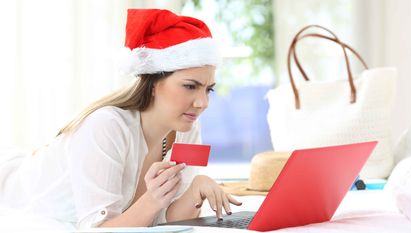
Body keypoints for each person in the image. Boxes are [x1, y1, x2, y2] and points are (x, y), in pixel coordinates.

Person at [0, 9, 241, 229]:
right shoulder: (105, 127)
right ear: (154, 83)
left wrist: (196, 189)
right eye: (190, 86)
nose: (202, 103)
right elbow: (99, 229)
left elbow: (168, 217)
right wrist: (152, 199)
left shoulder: (188, 126)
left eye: (208, 89)